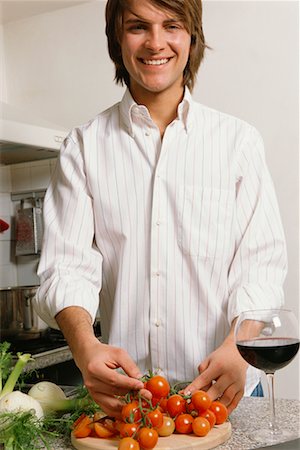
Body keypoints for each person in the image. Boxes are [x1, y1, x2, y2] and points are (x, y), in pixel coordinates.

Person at [34, 0, 287, 418]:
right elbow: (67, 267)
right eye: (138, 26)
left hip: (228, 389)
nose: (156, 43)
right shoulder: (82, 147)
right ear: (118, 36)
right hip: (130, 401)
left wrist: (238, 347)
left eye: (172, 25)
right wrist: (84, 347)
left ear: (192, 36)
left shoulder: (238, 143)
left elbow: (260, 265)